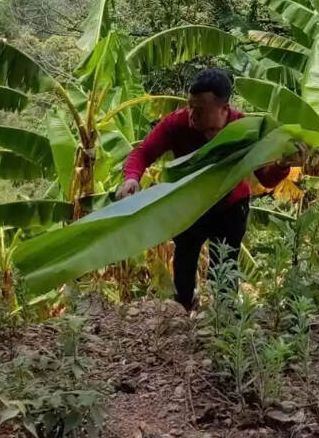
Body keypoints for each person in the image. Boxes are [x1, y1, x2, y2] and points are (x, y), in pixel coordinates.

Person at [117, 68, 289, 309]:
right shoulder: (175, 125)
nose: (192, 115)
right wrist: (132, 178)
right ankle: (183, 313)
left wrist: (283, 165)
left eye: (200, 110)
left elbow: (266, 178)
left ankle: (224, 321)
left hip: (230, 207)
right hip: (189, 209)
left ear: (224, 108)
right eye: (190, 106)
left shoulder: (245, 129)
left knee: (225, 269)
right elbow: (143, 152)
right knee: (184, 266)